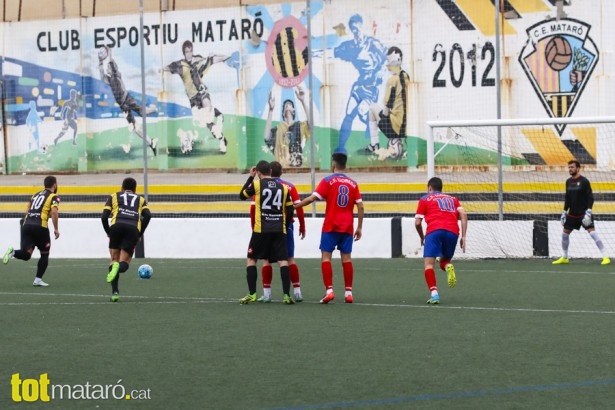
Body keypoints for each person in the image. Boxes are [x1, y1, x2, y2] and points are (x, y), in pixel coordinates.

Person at [295, 150, 363, 304]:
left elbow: (312, 198)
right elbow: (361, 206)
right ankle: (348, 293)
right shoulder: (353, 184)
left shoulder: (327, 181)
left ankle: (329, 291)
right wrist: (359, 227)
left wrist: (296, 206)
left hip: (330, 225)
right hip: (347, 227)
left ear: (334, 165)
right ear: (345, 166)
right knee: (346, 259)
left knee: (326, 257)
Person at [239, 160, 295, 305]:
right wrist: (285, 224)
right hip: (279, 229)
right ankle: (286, 295)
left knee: (252, 259)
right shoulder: (284, 187)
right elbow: (290, 210)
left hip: (261, 229)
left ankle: (252, 294)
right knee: (283, 261)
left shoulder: (257, 185)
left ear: (258, 172)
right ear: (270, 171)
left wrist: (250, 177)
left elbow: (242, 195)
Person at [250, 161, 306, 302]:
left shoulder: (260, 186)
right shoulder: (288, 186)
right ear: (280, 172)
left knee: (266, 260)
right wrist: (302, 225)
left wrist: (254, 228)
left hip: (265, 226)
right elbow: (297, 207)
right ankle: (297, 292)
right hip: (284, 227)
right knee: (288, 259)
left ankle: (267, 294)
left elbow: (252, 209)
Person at [333, 14, 388, 153]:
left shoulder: (372, 44)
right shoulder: (351, 46)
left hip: (370, 88)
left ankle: (374, 145)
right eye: (352, 29)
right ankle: (341, 147)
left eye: (357, 28)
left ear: (362, 27)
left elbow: (387, 56)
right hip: (358, 86)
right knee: (349, 114)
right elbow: (334, 51)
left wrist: (381, 72)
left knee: (366, 116)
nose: (355, 32)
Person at [164, 40, 229, 154]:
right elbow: (167, 68)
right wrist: (159, 70)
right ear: (184, 53)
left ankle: (217, 114)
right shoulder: (180, 65)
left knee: (207, 111)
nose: (189, 54)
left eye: (190, 51)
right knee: (206, 123)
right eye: (187, 52)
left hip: (201, 91)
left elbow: (213, 60)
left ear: (192, 51)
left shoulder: (198, 59)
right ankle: (222, 139)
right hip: (192, 99)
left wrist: (215, 55)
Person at [414, 177, 467, 305]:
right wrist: (464, 237)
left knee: (429, 265)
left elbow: (417, 222)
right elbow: (463, 215)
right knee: (445, 261)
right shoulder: (453, 199)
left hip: (434, 231)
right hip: (453, 232)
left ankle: (434, 294)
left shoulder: (425, 199)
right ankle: (448, 266)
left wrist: (422, 237)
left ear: (430, 188)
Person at [98, 46, 158, 156]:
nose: (107, 69)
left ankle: (155, 108)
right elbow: (102, 77)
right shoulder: (110, 80)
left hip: (127, 99)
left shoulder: (116, 74)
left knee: (141, 112)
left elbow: (112, 64)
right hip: (123, 107)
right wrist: (100, 63)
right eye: (107, 68)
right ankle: (151, 142)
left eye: (108, 68)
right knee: (135, 128)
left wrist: (110, 55)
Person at [3, 176, 60, 287]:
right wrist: (56, 229)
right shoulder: (54, 197)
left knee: (27, 254)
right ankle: (38, 280)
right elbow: (54, 212)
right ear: (54, 185)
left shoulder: (35, 195)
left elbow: (27, 210)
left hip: (27, 225)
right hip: (40, 227)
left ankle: (13, 252)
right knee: (44, 253)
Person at [101, 177, 152, 302]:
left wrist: (109, 232)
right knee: (125, 263)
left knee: (113, 260)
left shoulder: (113, 196)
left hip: (116, 227)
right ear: (135, 190)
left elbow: (103, 217)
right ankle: (118, 268)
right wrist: (140, 234)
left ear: (122, 188)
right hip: (132, 228)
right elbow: (148, 215)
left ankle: (115, 292)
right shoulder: (140, 199)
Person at [552, 160, 610, 265]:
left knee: (593, 233)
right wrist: (564, 212)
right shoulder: (568, 181)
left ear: (578, 168)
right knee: (564, 234)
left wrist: (588, 212)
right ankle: (565, 257)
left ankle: (606, 256)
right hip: (572, 214)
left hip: (584, 213)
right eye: (569, 167)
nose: (570, 169)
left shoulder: (584, 181)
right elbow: (567, 198)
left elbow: (590, 198)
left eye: (572, 167)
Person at [366, 46, 409, 159]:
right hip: (406, 126)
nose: (389, 64)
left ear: (399, 61)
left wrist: (383, 119)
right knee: (376, 111)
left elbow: (387, 107)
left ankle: (375, 144)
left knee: (372, 108)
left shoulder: (392, 81)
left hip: (395, 128)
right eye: (389, 61)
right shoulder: (406, 76)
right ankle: (387, 143)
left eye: (392, 61)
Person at [264, 86, 310, 168]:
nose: (287, 106)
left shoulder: (299, 126)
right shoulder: (279, 128)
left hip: (296, 167)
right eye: (285, 105)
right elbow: (267, 137)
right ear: (283, 113)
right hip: (281, 167)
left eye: (290, 105)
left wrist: (303, 101)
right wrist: (270, 110)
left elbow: (311, 123)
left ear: (293, 111)